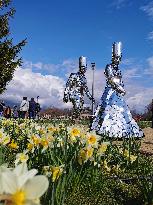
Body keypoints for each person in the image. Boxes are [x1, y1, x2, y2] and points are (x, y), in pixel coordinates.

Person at [91, 42, 144, 138]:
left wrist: (121, 87)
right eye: (116, 58)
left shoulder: (118, 69)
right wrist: (120, 88)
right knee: (107, 110)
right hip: (110, 93)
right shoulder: (109, 67)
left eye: (119, 58)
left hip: (118, 94)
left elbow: (120, 80)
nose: (117, 60)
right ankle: (106, 130)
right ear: (113, 57)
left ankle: (124, 131)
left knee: (122, 111)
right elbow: (111, 79)